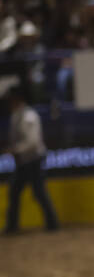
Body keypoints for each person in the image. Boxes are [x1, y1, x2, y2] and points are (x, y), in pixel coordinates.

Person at [4, 86, 59, 234]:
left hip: (33, 159)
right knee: (15, 191)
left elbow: (33, 142)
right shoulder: (16, 115)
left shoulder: (29, 116)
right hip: (24, 161)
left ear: (17, 100)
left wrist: (15, 150)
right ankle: (12, 226)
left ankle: (52, 223)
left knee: (38, 191)